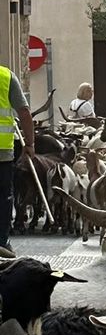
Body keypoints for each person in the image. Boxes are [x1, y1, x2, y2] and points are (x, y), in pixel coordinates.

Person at [0, 60, 35, 251]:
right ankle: (2, 241)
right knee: (4, 196)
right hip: (2, 152)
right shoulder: (6, 76)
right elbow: (24, 111)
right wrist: (29, 144)